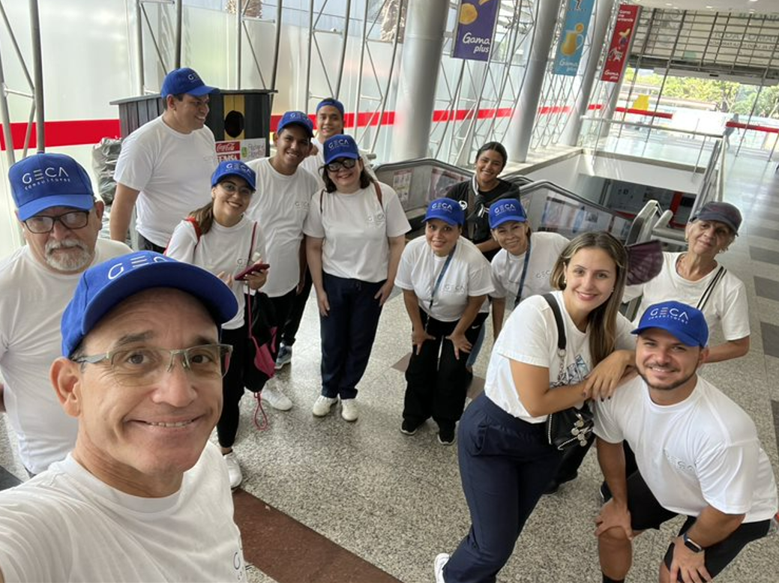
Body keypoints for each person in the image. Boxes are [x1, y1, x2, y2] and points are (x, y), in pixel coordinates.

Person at [0, 251, 246, 581]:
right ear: (72, 388)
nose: (178, 394)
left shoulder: (209, 464)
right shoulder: (41, 528)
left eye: (200, 357)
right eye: (135, 358)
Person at [436, 231, 637, 583]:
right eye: (580, 271)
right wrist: (600, 382)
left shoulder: (609, 325)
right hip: (495, 436)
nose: (588, 283)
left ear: (616, 281)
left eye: (601, 275)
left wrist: (622, 355)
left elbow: (655, 356)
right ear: (563, 271)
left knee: (503, 535)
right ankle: (450, 574)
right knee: (492, 547)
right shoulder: (537, 314)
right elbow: (535, 401)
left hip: (547, 444)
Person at [594, 301, 778, 583]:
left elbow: (729, 513)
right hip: (676, 476)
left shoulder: (724, 431)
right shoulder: (619, 390)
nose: (661, 357)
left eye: (678, 347)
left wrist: (691, 544)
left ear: (702, 356)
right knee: (612, 530)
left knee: (675, 575)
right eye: (650, 343)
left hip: (737, 507)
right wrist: (619, 502)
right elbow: (608, 442)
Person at [0, 153, 130, 476]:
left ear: (98, 212)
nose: (59, 234)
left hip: (129, 447)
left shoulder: (122, 261)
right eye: (41, 222)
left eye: (73, 216)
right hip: (54, 468)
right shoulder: (6, 290)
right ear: (22, 223)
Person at [166, 160, 266, 489]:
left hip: (233, 324)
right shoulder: (191, 229)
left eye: (244, 191)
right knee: (186, 392)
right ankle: (184, 451)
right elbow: (171, 284)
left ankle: (225, 451)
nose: (236, 196)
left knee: (229, 392)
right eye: (229, 187)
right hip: (195, 330)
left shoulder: (253, 230)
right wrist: (209, 288)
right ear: (214, 190)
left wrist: (259, 279)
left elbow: (256, 282)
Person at [305, 134, 410, 422]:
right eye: (333, 166)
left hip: (372, 284)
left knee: (361, 340)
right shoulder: (322, 200)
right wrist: (319, 290)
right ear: (326, 171)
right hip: (334, 281)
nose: (342, 171)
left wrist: (390, 282)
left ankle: (348, 391)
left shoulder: (382, 194)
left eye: (347, 162)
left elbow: (397, 242)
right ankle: (328, 390)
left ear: (360, 163)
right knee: (332, 340)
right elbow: (313, 246)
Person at [395, 198, 493, 445]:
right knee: (419, 363)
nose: (438, 235)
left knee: (452, 370)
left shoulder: (473, 259)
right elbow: (408, 292)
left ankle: (446, 421)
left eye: (447, 229)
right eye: (432, 227)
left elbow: (476, 300)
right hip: (427, 310)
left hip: (465, 316)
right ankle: (415, 414)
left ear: (460, 231)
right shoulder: (414, 249)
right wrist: (418, 329)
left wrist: (459, 333)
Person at [245, 111, 319, 411]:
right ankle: (236, 386)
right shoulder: (253, 173)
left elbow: (305, 235)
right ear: (276, 139)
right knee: (242, 335)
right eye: (289, 138)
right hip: (247, 277)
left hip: (287, 277)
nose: (294, 147)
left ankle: (267, 382)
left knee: (272, 336)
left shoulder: (310, 183)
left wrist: (302, 274)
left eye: (303, 142)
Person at [623, 202, 749, 364]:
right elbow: (612, 298)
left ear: (727, 243)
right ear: (689, 228)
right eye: (704, 225)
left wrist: (693, 357)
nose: (709, 234)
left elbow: (740, 345)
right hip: (632, 353)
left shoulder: (731, 288)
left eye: (720, 231)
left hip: (675, 373)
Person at [110, 67, 218, 252]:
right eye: (196, 103)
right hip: (161, 245)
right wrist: (118, 255)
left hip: (203, 241)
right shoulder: (143, 142)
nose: (205, 110)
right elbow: (123, 203)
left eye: (206, 102)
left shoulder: (205, 134)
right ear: (172, 102)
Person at [275, 98, 348, 371]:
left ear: (343, 122)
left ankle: (334, 354)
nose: (328, 122)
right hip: (305, 235)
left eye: (334, 117)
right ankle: (286, 343)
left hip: (337, 240)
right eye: (323, 117)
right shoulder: (307, 151)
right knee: (298, 291)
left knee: (330, 298)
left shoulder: (352, 155)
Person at [487, 198, 569, 340]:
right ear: (494, 234)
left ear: (526, 225)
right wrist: (497, 336)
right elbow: (498, 300)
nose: (510, 236)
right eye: (502, 231)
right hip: (533, 316)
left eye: (515, 227)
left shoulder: (555, 243)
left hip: (567, 313)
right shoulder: (498, 264)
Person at [445, 141, 520, 261]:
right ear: (476, 161)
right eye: (484, 160)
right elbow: (442, 222)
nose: (488, 167)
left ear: (501, 168)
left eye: (495, 163)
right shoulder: (458, 190)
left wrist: (471, 250)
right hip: (458, 254)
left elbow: (506, 235)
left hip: (492, 259)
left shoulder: (509, 194)